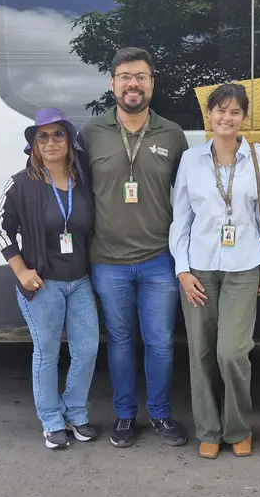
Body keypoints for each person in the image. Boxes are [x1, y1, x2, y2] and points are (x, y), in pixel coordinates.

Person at [78, 47, 190, 448]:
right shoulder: (90, 134)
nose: (133, 84)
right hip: (107, 261)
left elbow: (188, 197)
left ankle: (160, 415)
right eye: (125, 76)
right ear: (112, 83)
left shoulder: (172, 134)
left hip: (160, 258)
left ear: (152, 83)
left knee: (160, 342)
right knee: (122, 343)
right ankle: (125, 416)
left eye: (141, 76)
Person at [170, 83, 260, 459]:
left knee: (233, 353)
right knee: (200, 352)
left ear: (243, 118)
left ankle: (238, 428)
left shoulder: (258, 156)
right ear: (210, 115)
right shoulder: (191, 159)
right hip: (199, 268)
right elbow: (180, 220)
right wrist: (183, 270)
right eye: (220, 110)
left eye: (235, 112)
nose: (226, 117)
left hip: (244, 267)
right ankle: (208, 428)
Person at [0, 107, 100, 450]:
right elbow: (0, 230)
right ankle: (52, 421)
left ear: (69, 140)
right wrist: (21, 270)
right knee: (47, 353)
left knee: (87, 350)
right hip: (43, 285)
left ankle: (75, 412)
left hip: (80, 281)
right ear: (34, 144)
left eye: (58, 134)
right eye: (43, 136)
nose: (51, 141)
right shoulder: (22, 184)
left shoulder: (83, 182)